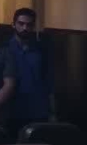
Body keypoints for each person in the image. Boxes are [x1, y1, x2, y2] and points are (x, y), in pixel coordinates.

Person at [8, 8, 54, 136]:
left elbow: (48, 81)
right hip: (11, 108)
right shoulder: (4, 48)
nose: (25, 28)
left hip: (38, 108)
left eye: (29, 25)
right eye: (21, 23)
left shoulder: (41, 49)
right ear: (13, 24)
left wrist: (52, 111)